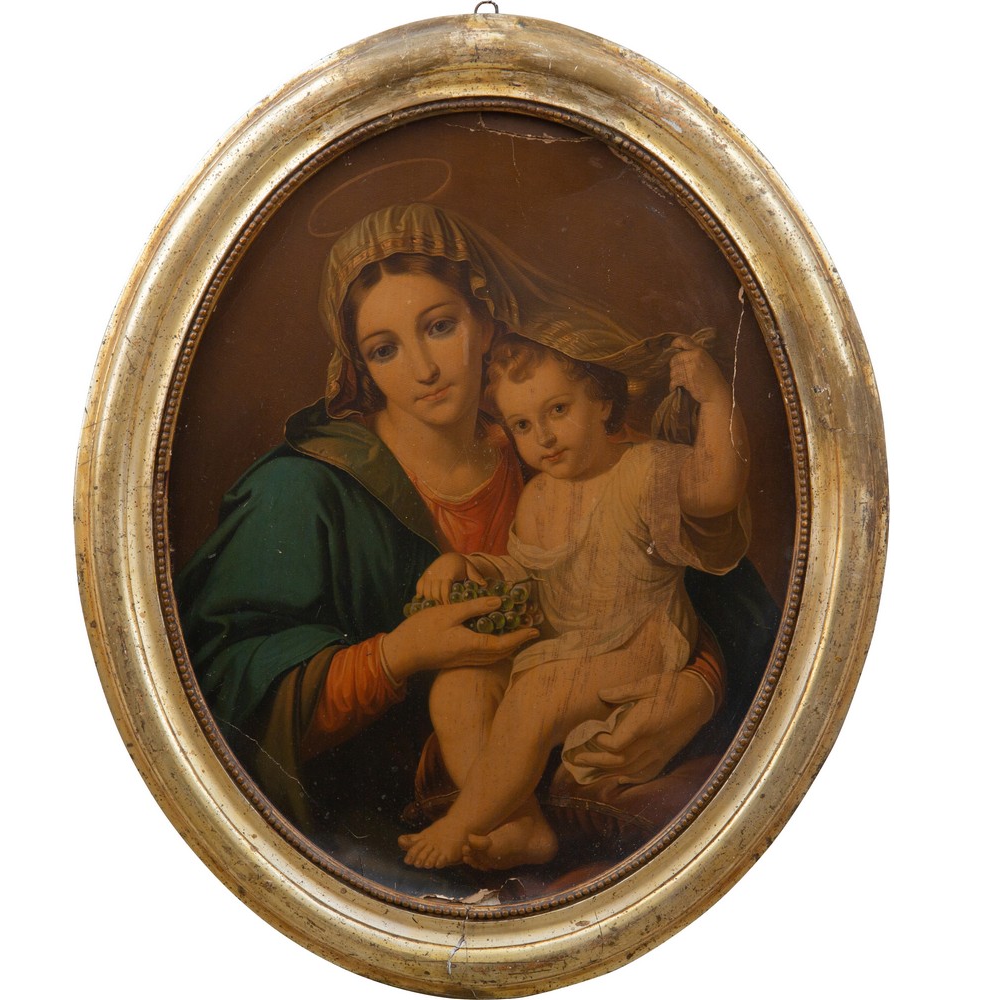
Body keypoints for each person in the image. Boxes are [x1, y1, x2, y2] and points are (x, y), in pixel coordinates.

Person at [175, 203, 755, 881]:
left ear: (485, 322)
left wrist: (696, 692)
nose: (423, 369)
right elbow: (217, 694)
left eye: (440, 326)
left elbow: (691, 593)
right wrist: (396, 656)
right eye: (385, 349)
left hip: (584, 795)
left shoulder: (554, 448)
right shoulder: (302, 491)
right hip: (368, 850)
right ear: (361, 367)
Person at [399, 333, 749, 869]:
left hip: (636, 647)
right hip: (561, 646)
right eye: (521, 425)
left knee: (537, 697)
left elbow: (718, 490)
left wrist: (716, 398)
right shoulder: (539, 495)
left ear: (603, 402)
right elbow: (527, 576)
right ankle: (521, 826)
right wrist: (470, 567)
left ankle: (462, 823)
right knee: (456, 687)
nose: (542, 436)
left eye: (558, 410)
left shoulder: (642, 470)